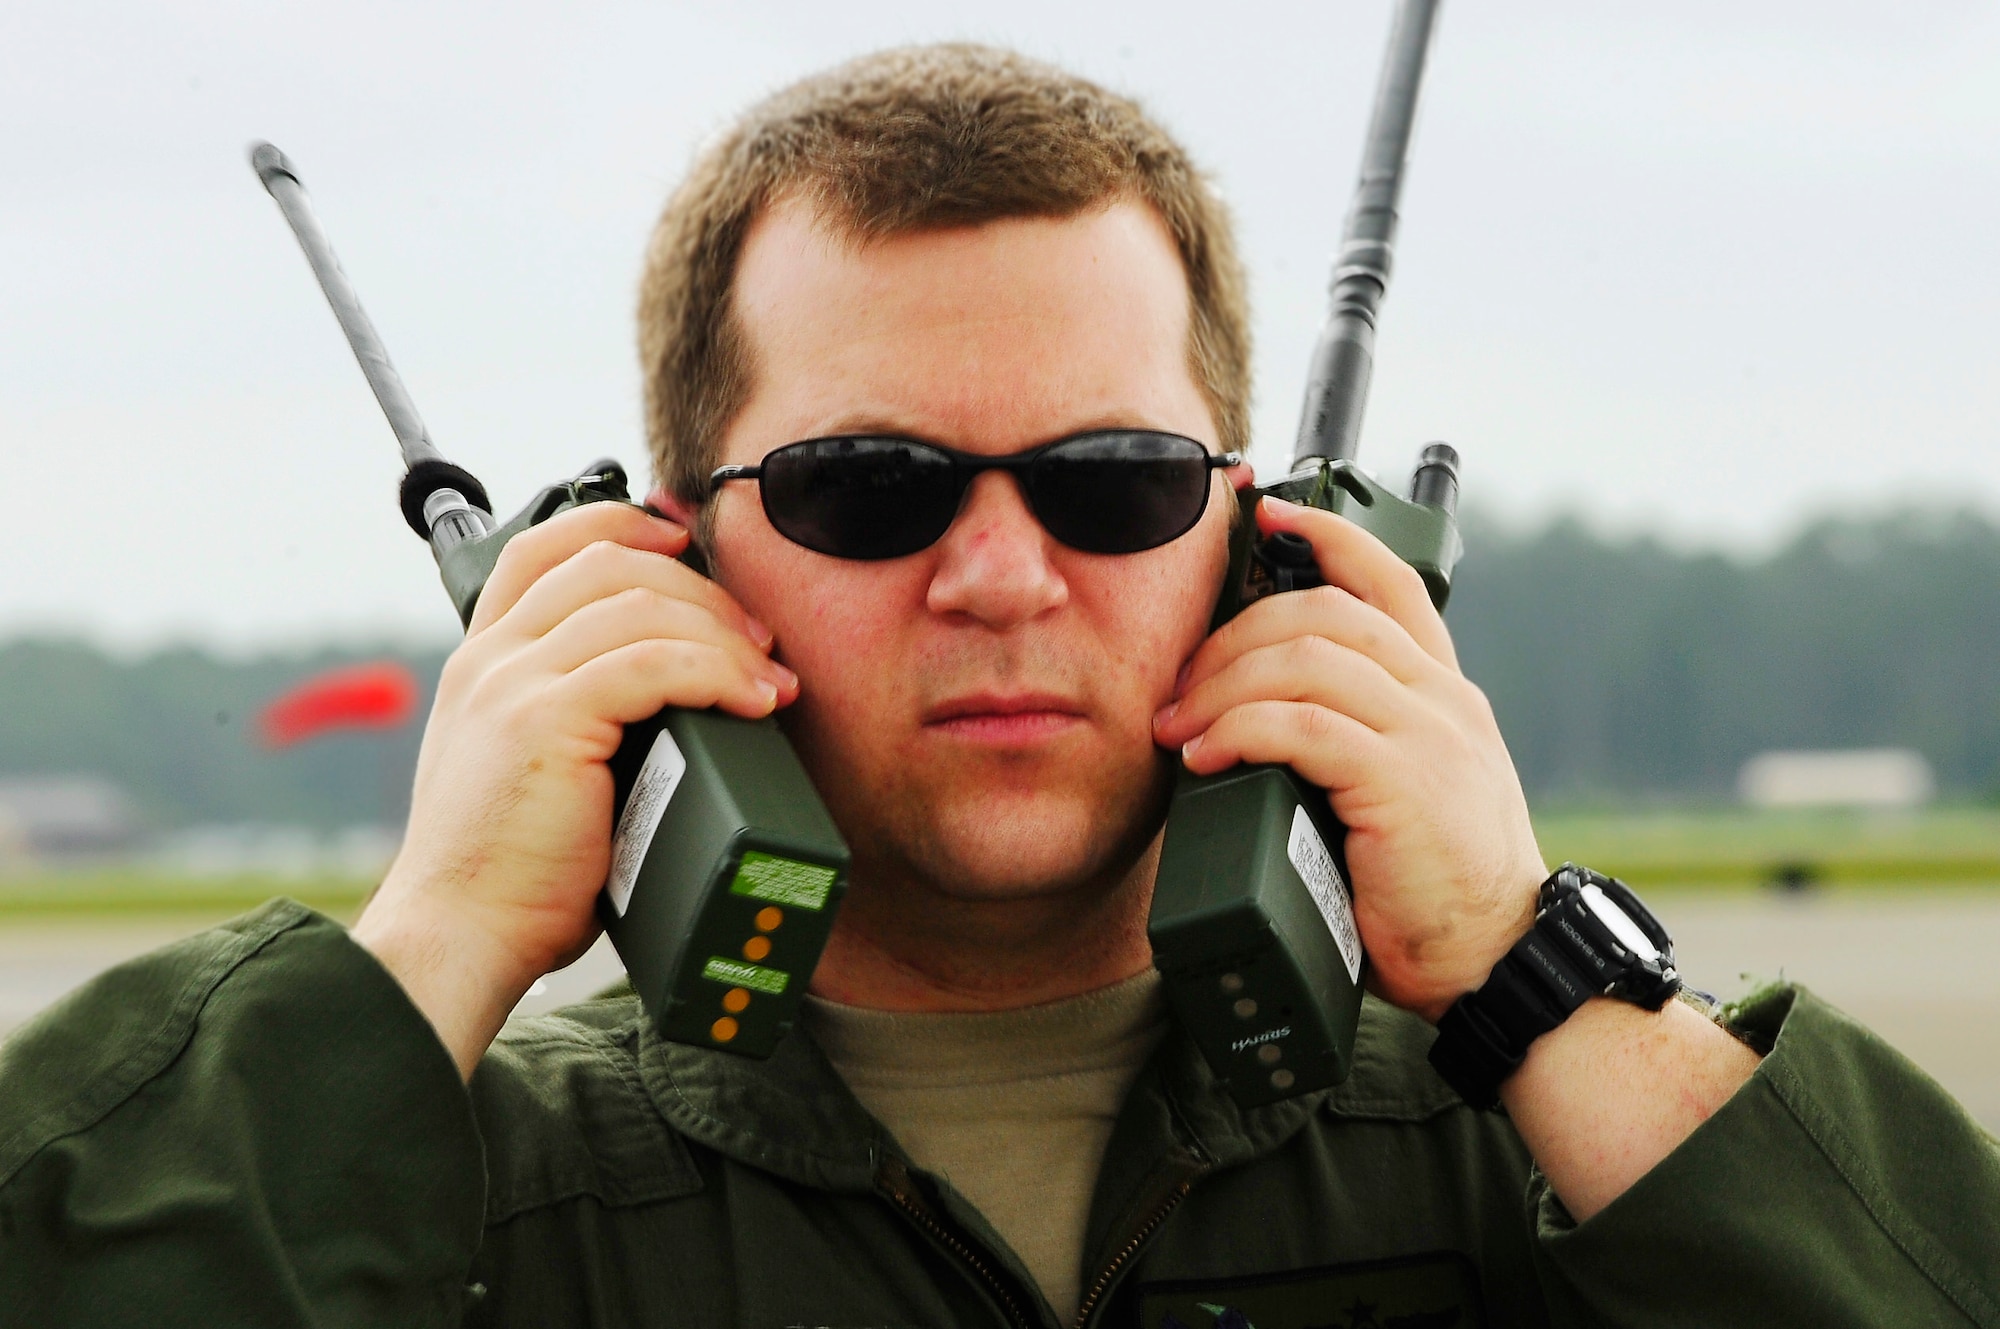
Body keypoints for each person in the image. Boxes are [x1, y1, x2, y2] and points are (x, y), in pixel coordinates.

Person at [1, 44, 1994, 1329]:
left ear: (1262, 534)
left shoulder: (1552, 1164)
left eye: (1110, 480)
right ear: (675, 557)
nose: (1000, 575)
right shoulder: (459, 1200)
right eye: (866, 486)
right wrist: (425, 950)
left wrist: (1527, 973)